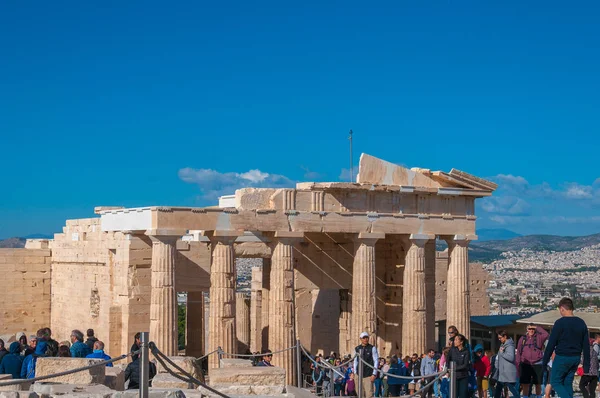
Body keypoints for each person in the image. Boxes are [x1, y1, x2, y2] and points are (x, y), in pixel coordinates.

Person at [542, 297, 590, 398]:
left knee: (555, 382)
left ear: (562, 308)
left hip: (562, 357)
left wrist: (545, 361)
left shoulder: (560, 323)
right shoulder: (581, 323)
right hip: (575, 358)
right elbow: (586, 346)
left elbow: (551, 344)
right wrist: (586, 365)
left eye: (560, 310)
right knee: (567, 383)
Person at [516, 323, 549, 398]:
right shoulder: (522, 339)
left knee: (538, 383)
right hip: (525, 363)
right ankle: (525, 397)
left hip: (537, 363)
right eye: (529, 329)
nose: (531, 330)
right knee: (525, 383)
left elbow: (546, 334)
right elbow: (518, 352)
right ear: (526, 329)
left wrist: (536, 327)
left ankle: (538, 396)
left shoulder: (539, 337)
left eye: (533, 329)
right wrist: (518, 363)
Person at [494, 330, 520, 398]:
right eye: (498, 338)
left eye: (500, 338)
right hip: (503, 372)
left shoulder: (510, 346)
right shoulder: (502, 345)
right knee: (498, 388)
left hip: (508, 373)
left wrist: (502, 353)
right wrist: (497, 365)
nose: (499, 340)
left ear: (505, 336)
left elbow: (511, 357)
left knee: (511, 388)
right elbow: (499, 357)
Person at [353, 331, 379, 398]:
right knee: (359, 393)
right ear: (360, 339)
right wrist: (355, 372)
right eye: (364, 338)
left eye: (367, 337)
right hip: (358, 374)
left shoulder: (372, 348)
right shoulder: (357, 348)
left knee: (369, 394)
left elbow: (376, 361)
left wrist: (374, 374)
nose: (365, 339)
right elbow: (355, 361)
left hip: (368, 374)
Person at [447, 333, 471, 398]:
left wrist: (454, 368)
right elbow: (448, 361)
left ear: (461, 342)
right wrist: (448, 370)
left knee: (463, 395)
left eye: (456, 340)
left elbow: (465, 365)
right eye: (454, 340)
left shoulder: (466, 351)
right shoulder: (452, 350)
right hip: (454, 376)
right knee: (454, 394)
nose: (454, 341)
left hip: (463, 376)